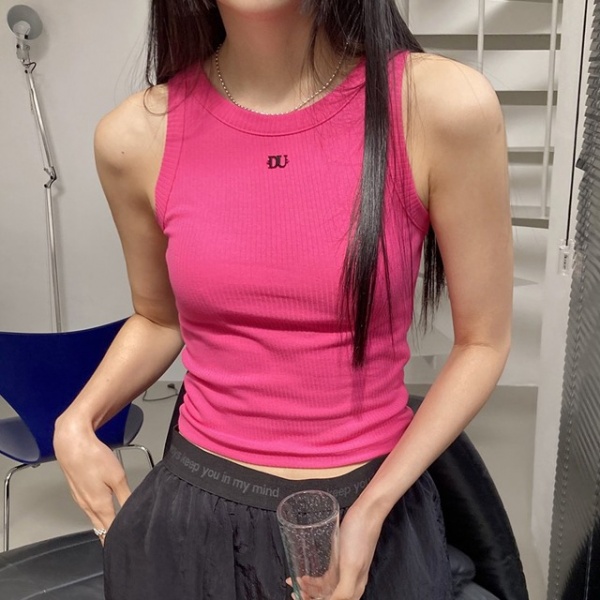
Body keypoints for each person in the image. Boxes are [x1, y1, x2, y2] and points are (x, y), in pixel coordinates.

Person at [54, 1, 513, 599]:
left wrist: (373, 507)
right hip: (197, 508)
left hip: (370, 506)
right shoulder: (134, 136)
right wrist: (78, 419)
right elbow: (158, 318)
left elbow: (483, 341)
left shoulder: (440, 105)